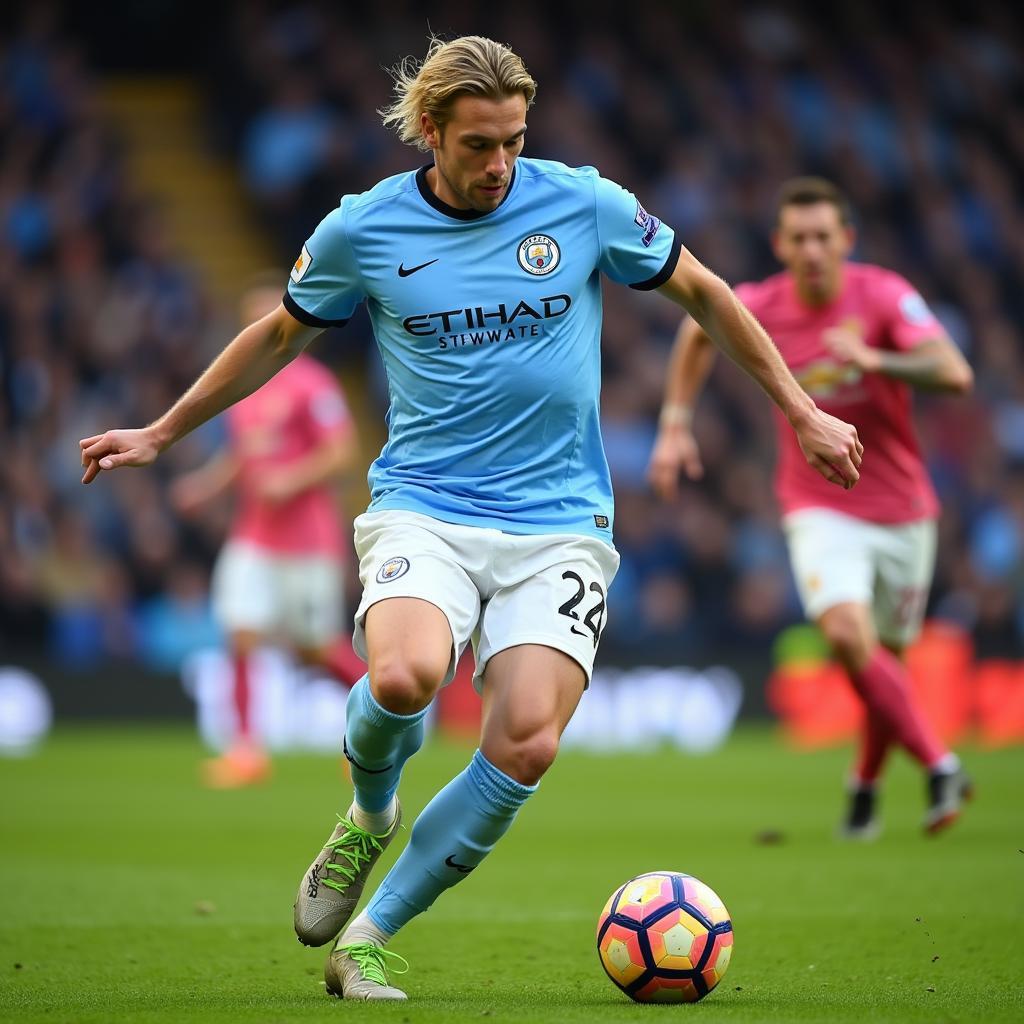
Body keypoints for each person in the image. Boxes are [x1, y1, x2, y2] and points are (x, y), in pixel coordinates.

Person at [80, 37, 860, 1001]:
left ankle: (366, 936)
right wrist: (162, 430)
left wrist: (801, 409)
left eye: (515, 142)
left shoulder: (582, 203)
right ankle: (369, 815)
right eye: (481, 145)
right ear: (431, 134)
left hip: (562, 522)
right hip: (428, 506)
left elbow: (705, 290)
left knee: (527, 739)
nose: (501, 165)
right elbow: (280, 334)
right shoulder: (362, 230)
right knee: (404, 676)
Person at [648, 176, 974, 841]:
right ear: (780, 244)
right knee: (848, 638)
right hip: (817, 504)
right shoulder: (762, 302)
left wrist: (877, 358)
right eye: (799, 238)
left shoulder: (882, 295)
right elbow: (696, 332)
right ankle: (940, 764)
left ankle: (864, 787)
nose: (813, 249)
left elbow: (956, 374)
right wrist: (676, 420)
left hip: (904, 507)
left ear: (846, 240)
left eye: (825, 236)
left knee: (884, 663)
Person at [170, 273, 359, 788]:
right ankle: (246, 751)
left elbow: (342, 452)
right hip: (254, 534)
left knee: (315, 648)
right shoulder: (246, 388)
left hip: (308, 542)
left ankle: (375, 720)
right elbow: (244, 455)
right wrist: (206, 488)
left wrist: (291, 479)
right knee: (240, 632)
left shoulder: (313, 383)